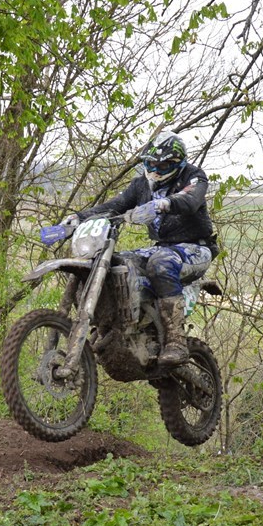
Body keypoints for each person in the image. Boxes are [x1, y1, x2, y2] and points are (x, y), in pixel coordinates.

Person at [64, 131, 217, 366]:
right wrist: (79, 217)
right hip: (162, 246)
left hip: (195, 248)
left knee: (161, 263)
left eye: (163, 165)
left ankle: (176, 340)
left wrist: (166, 203)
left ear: (177, 164)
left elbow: (192, 200)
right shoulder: (141, 185)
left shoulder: (193, 176)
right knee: (116, 264)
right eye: (150, 163)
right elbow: (116, 205)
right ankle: (116, 325)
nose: (155, 169)